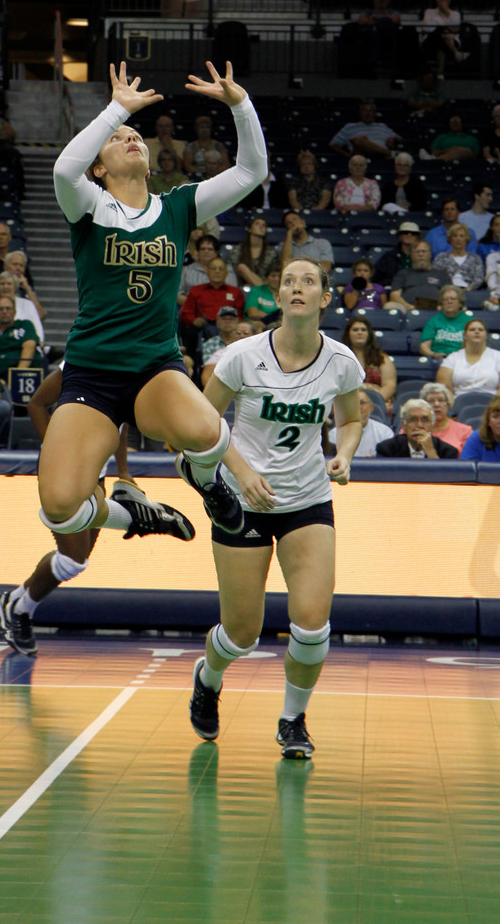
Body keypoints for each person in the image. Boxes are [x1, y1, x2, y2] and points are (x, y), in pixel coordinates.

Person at [38, 59, 267, 553]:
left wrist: (240, 105)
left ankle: (206, 484)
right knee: (59, 508)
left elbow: (252, 172)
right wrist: (113, 110)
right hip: (91, 372)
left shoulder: (178, 207)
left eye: (136, 135)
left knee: (208, 433)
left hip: (153, 368)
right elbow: (62, 167)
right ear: (98, 167)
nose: (131, 137)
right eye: (119, 137)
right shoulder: (88, 203)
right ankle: (135, 514)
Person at [187, 257, 362, 758]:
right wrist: (242, 473)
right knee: (241, 634)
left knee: (312, 625)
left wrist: (344, 454)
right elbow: (201, 422)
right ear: (279, 296)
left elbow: (349, 421)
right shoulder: (242, 356)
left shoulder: (342, 361)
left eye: (309, 281)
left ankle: (292, 719)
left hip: (307, 498)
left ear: (325, 298)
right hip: (242, 500)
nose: (298, 287)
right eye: (290, 281)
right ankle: (209, 675)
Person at [0, 367, 151, 656]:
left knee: (78, 558)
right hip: (64, 472)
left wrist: (124, 470)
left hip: (95, 474)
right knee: (74, 560)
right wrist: (55, 450)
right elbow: (37, 404)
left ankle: (15, 604)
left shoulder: (127, 366)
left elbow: (121, 423)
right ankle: (17, 606)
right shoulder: (76, 362)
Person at [179, 257, 246, 357]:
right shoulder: (196, 291)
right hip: (203, 326)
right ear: (207, 271)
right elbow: (185, 314)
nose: (217, 271)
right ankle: (192, 365)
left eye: (220, 269)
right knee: (191, 332)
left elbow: (240, 316)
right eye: (213, 268)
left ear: (227, 273)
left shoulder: (235, 292)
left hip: (229, 326)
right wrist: (194, 320)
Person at [341, 316, 397, 406]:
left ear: (369, 334)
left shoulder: (382, 358)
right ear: (348, 334)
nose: (360, 332)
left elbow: (390, 385)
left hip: (378, 403)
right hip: (347, 403)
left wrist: (372, 402)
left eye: (363, 330)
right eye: (355, 330)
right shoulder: (339, 358)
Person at [436, 318, 500, 397]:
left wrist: (493, 407)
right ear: (465, 335)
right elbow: (445, 389)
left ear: (486, 336)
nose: (477, 332)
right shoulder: (452, 358)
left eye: (480, 330)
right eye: (472, 330)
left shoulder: (497, 357)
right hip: (458, 404)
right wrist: (455, 406)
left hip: (492, 405)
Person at [376, 398, 458, 458]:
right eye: (413, 420)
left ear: (432, 425)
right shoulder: (387, 448)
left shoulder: (448, 452)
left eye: (425, 420)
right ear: (404, 425)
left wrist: (431, 452)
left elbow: (445, 479)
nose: (419, 425)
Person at [0, 295, 41, 376]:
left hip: (24, 375)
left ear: (14, 312)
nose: (4, 311)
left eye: (8, 308)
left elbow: (29, 347)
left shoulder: (25, 325)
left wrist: (17, 374)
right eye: (1, 309)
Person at [0, 270, 44, 341]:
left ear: (15, 286)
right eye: (2, 284)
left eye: (9, 284)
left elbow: (38, 330)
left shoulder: (28, 305)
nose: (5, 287)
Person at [387, 238, 451, 311]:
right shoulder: (403, 273)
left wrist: (439, 307)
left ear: (430, 254)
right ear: (411, 255)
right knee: (389, 306)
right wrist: (409, 307)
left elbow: (450, 294)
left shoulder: (441, 273)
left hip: (437, 309)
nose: (420, 254)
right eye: (417, 252)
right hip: (407, 309)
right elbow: (394, 295)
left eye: (423, 251)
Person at [329, 387, 393, 457]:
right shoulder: (334, 434)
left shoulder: (385, 433)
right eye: (353, 403)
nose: (358, 407)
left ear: (371, 407)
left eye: (362, 403)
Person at [329, 100, 402, 160]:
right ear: (360, 113)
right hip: (360, 156)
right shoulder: (350, 126)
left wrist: (392, 139)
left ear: (374, 113)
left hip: (381, 157)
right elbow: (333, 144)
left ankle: (388, 153)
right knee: (359, 140)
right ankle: (391, 154)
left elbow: (399, 139)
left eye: (370, 111)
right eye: (364, 111)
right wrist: (347, 155)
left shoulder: (382, 126)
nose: (367, 113)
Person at [177, 234, 237, 306]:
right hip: (193, 309)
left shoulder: (227, 269)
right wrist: (195, 305)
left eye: (210, 249)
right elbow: (178, 294)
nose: (206, 251)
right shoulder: (185, 270)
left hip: (222, 310)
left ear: (216, 252)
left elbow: (233, 293)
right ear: (198, 251)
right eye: (203, 249)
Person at [421, 0, 466, 80]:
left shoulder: (455, 14)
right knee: (441, 32)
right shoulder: (429, 12)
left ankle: (440, 72)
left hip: (450, 42)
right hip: (431, 42)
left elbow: (456, 28)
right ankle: (456, 53)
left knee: (441, 44)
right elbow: (428, 28)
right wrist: (445, 27)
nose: (444, 0)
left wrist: (446, 12)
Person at [419, 285, 473, 358]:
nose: (449, 302)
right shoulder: (434, 321)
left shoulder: (470, 321)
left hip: (462, 359)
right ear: (442, 303)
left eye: (453, 299)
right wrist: (434, 354)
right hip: (440, 359)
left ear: (460, 303)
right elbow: (424, 347)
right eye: (445, 299)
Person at [419, 381, 473, 454]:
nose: (436, 404)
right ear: (423, 406)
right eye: (431, 401)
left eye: (441, 400)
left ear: (448, 404)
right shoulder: (413, 428)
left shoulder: (465, 431)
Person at [432, 224, 484, 292]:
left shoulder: (476, 259)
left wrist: (470, 288)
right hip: (446, 292)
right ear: (450, 239)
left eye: (461, 236)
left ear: (466, 239)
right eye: (455, 236)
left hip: (469, 293)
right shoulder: (441, 257)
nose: (458, 239)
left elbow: (479, 279)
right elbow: (435, 277)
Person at [227, 216, 276, 287]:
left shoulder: (271, 252)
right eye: (257, 224)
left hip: (266, 284)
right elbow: (231, 272)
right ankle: (263, 292)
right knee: (241, 267)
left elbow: (273, 274)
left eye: (264, 225)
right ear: (250, 229)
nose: (261, 227)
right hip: (241, 285)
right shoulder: (237, 250)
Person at [357, 0, 401, 69]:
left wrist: (376, 19)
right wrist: (385, 20)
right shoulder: (368, 11)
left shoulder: (393, 12)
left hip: (388, 38)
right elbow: (362, 21)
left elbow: (396, 20)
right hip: (370, 38)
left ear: (388, 0)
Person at [183, 113, 229, 178]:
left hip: (216, 175)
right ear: (196, 129)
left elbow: (226, 164)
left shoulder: (219, 145)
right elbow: (187, 165)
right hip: (198, 176)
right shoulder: (190, 146)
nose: (204, 130)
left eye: (207, 127)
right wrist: (201, 173)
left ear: (211, 129)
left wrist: (213, 172)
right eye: (201, 127)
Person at [373, 222, 416, 287]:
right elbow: (376, 280)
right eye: (405, 232)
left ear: (418, 237)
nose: (409, 235)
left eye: (413, 233)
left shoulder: (423, 256)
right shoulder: (389, 257)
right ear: (399, 236)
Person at [460, 396, 500, 462]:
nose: (499, 421)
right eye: (495, 416)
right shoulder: (476, 438)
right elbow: (466, 469)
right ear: (488, 421)